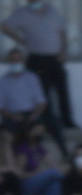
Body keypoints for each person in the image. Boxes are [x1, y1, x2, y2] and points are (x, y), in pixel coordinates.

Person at [1, 0, 73, 128]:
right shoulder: (22, 13)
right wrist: (20, 39)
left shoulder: (51, 10)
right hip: (37, 58)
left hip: (55, 58)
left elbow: (62, 31)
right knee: (43, 93)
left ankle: (68, 122)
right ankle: (47, 123)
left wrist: (63, 51)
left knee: (62, 91)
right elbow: (4, 26)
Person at [0, 44, 44, 139]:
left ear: (23, 61)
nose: (16, 62)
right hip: (12, 116)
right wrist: (12, 116)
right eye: (13, 60)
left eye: (18, 60)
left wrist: (34, 115)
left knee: (38, 130)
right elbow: (1, 107)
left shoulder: (32, 78)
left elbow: (41, 102)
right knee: (6, 137)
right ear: (9, 62)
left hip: (30, 114)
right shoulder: (3, 81)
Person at [0, 128, 20, 195]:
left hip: (7, 178)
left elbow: (13, 169)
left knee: (15, 182)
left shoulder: (9, 149)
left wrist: (7, 147)